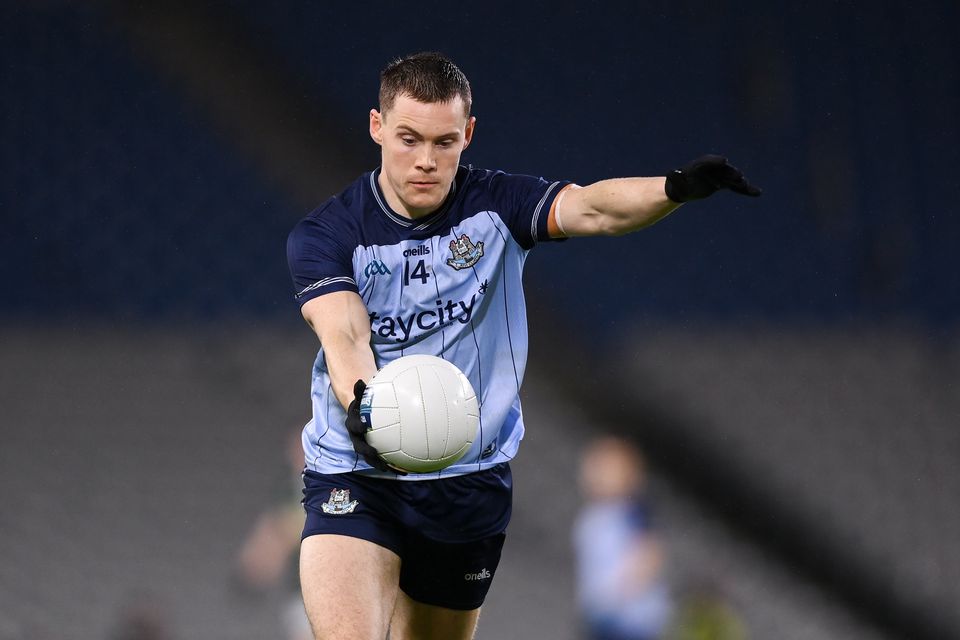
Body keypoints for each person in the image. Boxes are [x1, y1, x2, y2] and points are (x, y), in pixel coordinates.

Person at [286, 51, 760, 640]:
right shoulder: (327, 234)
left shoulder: (499, 204)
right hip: (357, 474)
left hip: (468, 482)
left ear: (470, 134)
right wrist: (366, 408)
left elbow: (592, 208)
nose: (426, 161)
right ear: (377, 127)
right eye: (409, 139)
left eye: (445, 141)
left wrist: (675, 188)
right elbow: (345, 332)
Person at [574, 436, 672, 640]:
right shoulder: (596, 516)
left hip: (627, 617)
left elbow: (649, 553)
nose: (596, 475)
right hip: (601, 614)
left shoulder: (633, 515)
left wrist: (621, 587)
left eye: (605, 469)